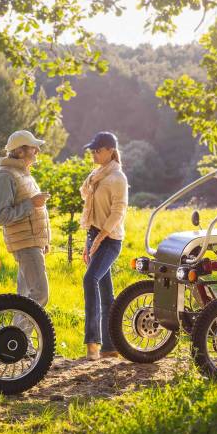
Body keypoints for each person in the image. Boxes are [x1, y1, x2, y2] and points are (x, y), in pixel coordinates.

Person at [79, 130, 128, 360]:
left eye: (97, 150)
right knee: (107, 294)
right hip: (94, 235)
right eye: (92, 149)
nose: (94, 153)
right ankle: (111, 346)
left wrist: (98, 241)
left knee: (90, 280)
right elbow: (91, 214)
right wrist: (88, 243)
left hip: (110, 240)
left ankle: (93, 343)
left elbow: (118, 212)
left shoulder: (118, 178)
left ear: (110, 150)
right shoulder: (95, 175)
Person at [0, 130, 51, 314]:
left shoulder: (22, 173)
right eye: (33, 148)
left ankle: (18, 339)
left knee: (24, 296)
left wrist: (44, 241)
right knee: (40, 294)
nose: (37, 151)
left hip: (33, 242)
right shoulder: (5, 176)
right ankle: (18, 339)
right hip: (25, 244)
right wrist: (32, 203)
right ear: (20, 151)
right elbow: (2, 216)